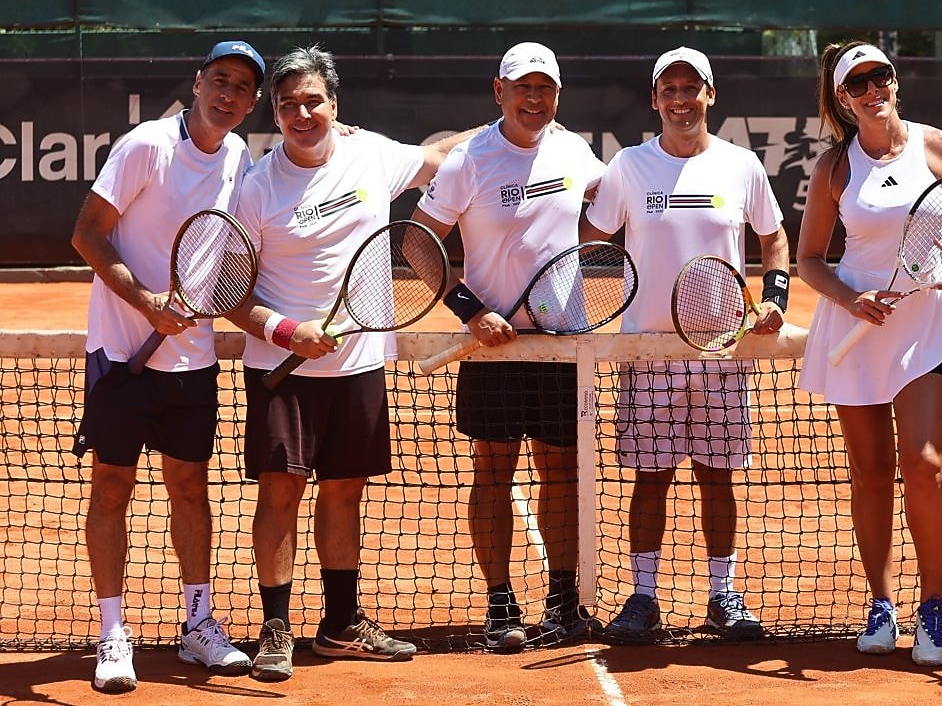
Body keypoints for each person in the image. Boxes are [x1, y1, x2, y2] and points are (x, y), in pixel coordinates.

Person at [225, 45, 477, 681]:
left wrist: (523, 121)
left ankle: (339, 625)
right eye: (289, 106)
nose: (302, 114)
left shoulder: (373, 155)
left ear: (335, 107)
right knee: (281, 494)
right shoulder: (255, 188)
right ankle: (276, 628)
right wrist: (286, 331)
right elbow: (229, 291)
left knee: (344, 493)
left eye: (314, 102)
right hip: (282, 369)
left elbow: (444, 154)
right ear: (275, 116)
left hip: (360, 363)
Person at [69, 39, 267, 693]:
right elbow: (87, 234)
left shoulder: (239, 155)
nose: (228, 94)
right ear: (198, 82)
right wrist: (145, 303)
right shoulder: (146, 146)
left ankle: (198, 626)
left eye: (241, 87)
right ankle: (111, 634)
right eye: (220, 80)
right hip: (123, 355)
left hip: (192, 361)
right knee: (112, 490)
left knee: (190, 488)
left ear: (252, 102)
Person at [581, 46, 790, 643]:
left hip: (721, 350)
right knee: (650, 477)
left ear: (710, 96)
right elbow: (589, 239)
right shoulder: (627, 168)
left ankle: (723, 595)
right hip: (647, 351)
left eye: (691, 88)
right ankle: (643, 597)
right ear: (655, 100)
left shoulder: (741, 166)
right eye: (668, 89)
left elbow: (773, 240)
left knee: (716, 475)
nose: (680, 99)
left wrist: (773, 296)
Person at [410, 42, 606, 652]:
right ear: (499, 90)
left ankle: (563, 597)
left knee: (561, 472)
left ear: (556, 95)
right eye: (522, 86)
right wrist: (470, 311)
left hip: (558, 345)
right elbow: (418, 244)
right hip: (493, 350)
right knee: (493, 473)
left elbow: (611, 207)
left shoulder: (576, 151)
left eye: (545, 87)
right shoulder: (468, 160)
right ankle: (500, 604)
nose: (534, 97)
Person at [794, 42, 942, 667]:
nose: (874, 90)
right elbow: (810, 261)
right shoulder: (834, 168)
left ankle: (932, 604)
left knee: (924, 464)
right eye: (859, 84)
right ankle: (880, 602)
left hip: (923, 328)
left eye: (882, 77)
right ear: (843, 99)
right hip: (855, 326)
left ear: (895, 82)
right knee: (869, 473)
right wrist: (852, 299)